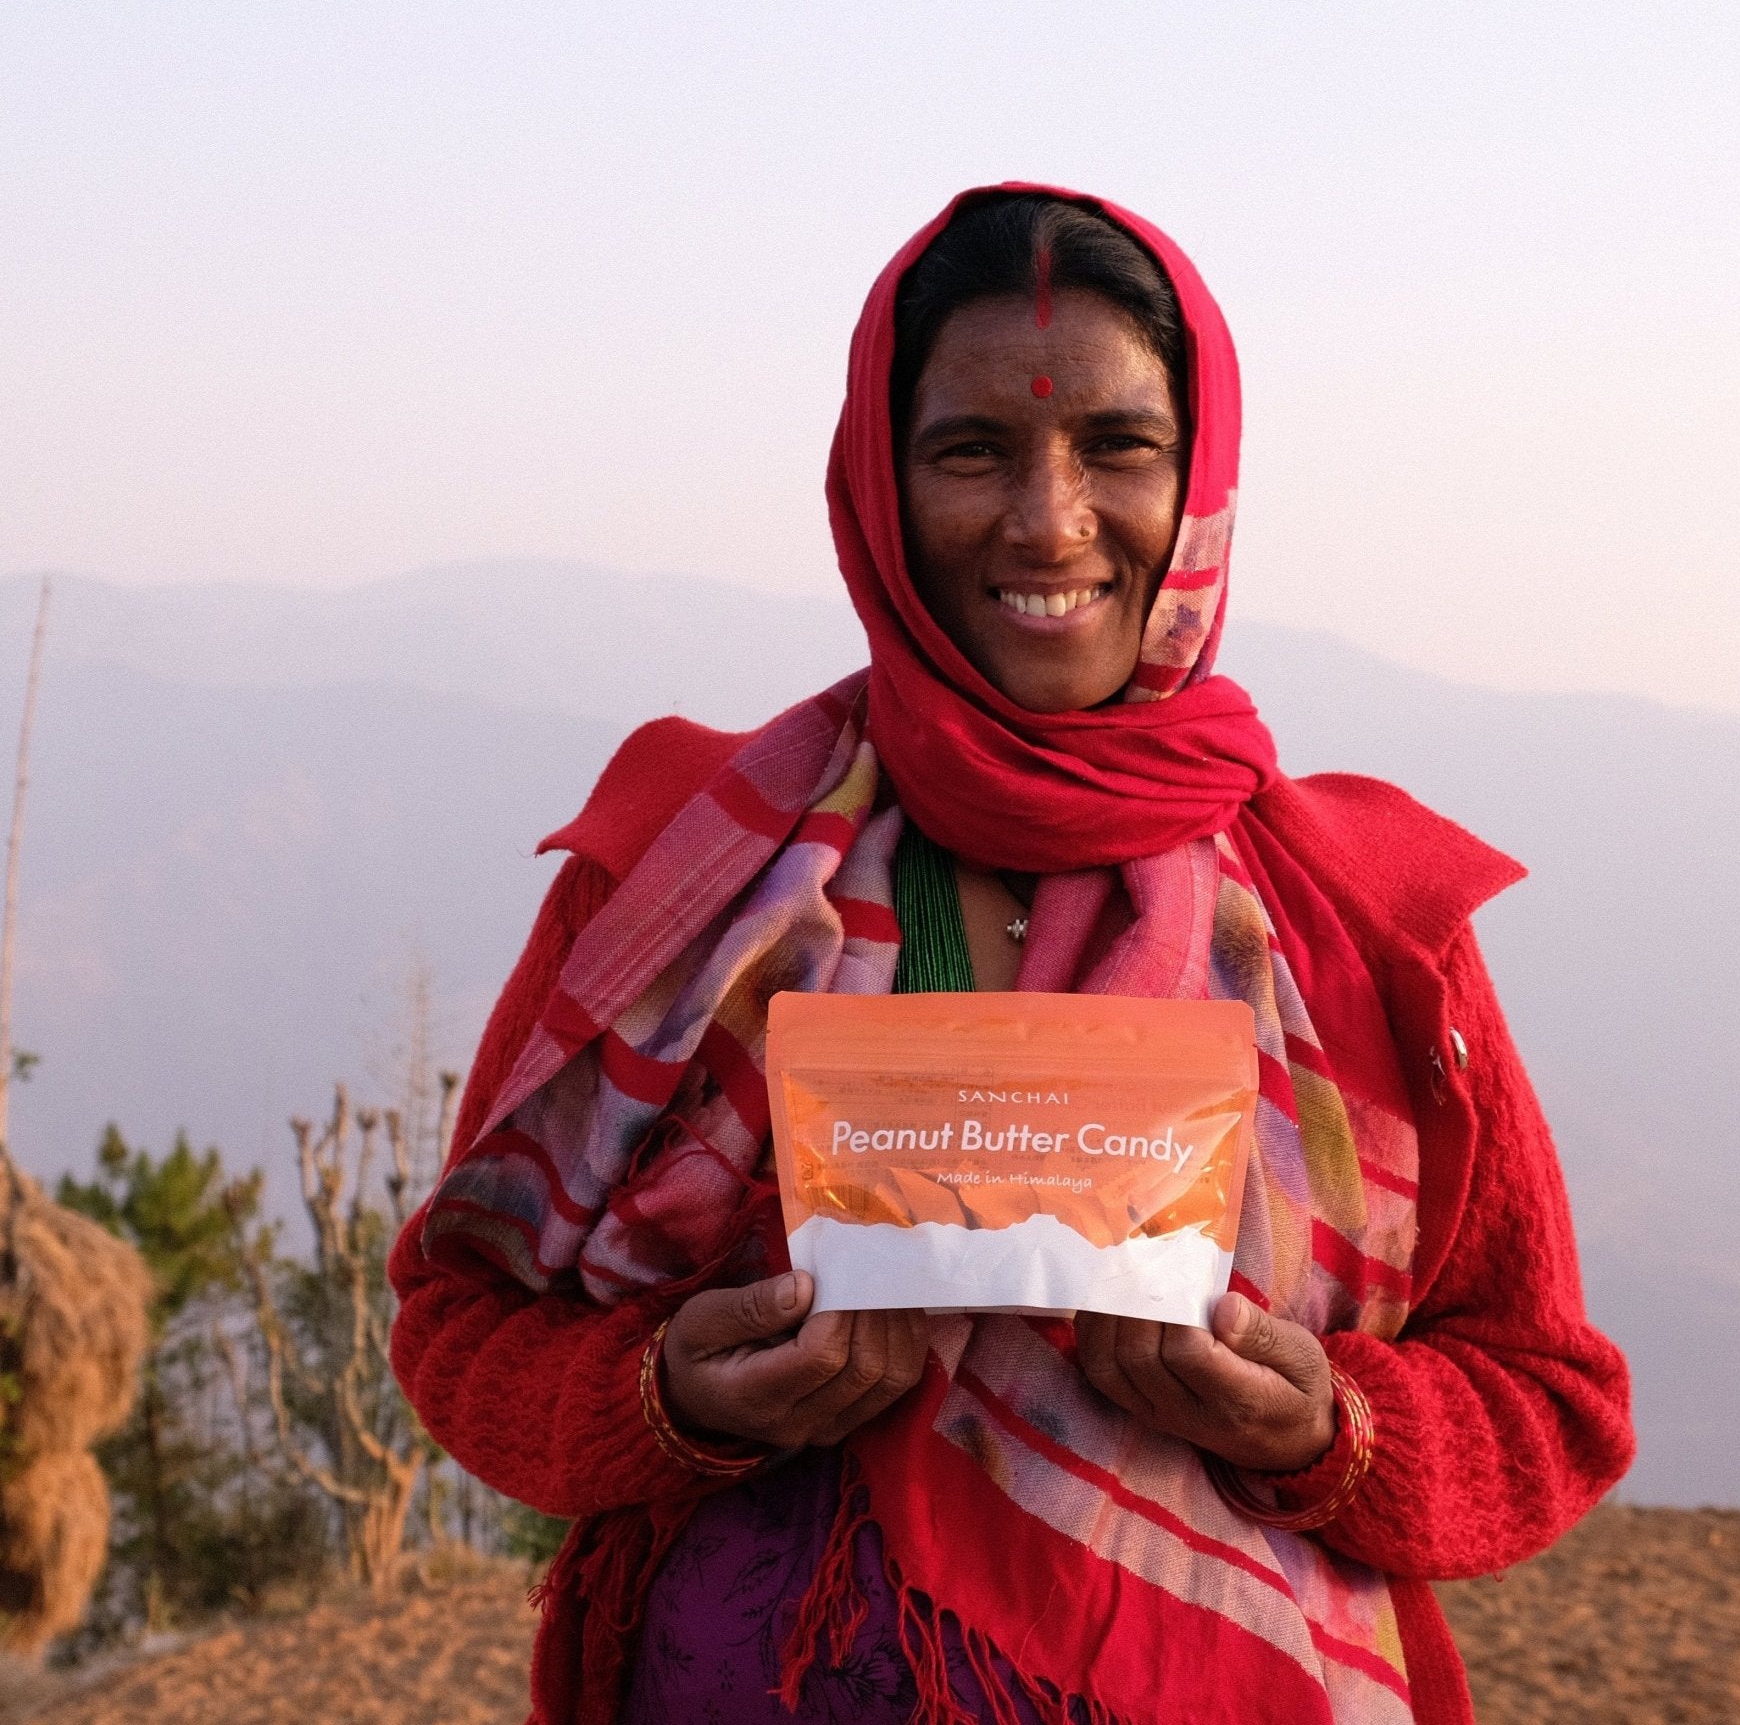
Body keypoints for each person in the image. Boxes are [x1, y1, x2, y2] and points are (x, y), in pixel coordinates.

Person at [390, 185, 1633, 1725]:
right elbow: (459, 1325)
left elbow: (1549, 1406)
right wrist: (666, 1398)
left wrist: (1332, 1430)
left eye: (1120, 447)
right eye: (970, 450)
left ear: (1204, 479)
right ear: (878, 486)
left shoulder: (1366, 926)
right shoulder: (682, 877)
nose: (1051, 522)